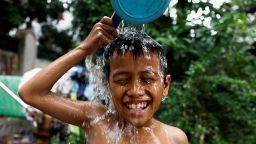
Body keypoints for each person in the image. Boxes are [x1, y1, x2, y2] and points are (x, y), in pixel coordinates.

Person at [19, 16, 189, 144]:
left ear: (165, 85)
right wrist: (84, 48)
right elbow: (31, 93)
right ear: (107, 84)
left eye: (147, 79)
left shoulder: (174, 139)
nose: (135, 91)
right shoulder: (96, 119)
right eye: (122, 80)